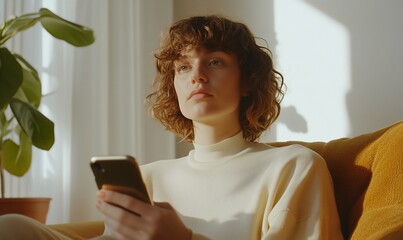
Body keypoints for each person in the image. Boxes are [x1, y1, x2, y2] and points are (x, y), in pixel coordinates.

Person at [0, 15, 343, 240]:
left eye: (214, 61)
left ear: (248, 81)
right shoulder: (147, 178)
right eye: (182, 67)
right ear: (174, 86)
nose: (197, 75)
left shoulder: (293, 167)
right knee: (12, 227)